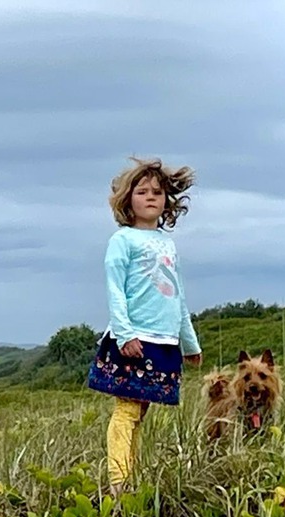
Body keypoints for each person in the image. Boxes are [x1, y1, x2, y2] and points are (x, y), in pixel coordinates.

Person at [87, 157, 203, 494]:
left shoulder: (168, 244)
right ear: (128, 200)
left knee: (140, 412)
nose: (151, 197)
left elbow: (177, 297)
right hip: (134, 339)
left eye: (157, 191)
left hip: (164, 341)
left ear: (167, 200)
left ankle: (129, 477)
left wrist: (189, 342)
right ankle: (119, 482)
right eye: (142, 191)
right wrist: (125, 334)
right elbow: (115, 290)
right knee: (126, 409)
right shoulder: (122, 241)